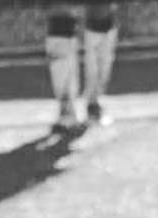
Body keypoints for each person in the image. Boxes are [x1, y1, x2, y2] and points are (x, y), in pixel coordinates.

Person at [45, 0, 118, 132]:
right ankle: (68, 111)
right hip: (63, 26)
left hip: (98, 22)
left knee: (97, 65)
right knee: (64, 65)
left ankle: (91, 106)